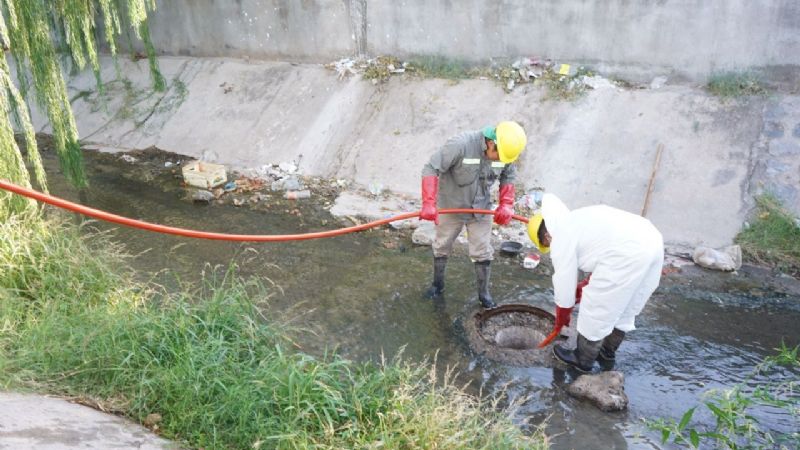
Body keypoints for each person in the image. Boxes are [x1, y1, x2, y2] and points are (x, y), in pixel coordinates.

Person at [528, 193, 663, 372]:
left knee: (596, 308)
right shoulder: (576, 221)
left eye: (545, 243)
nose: (549, 246)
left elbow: (564, 283)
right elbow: (602, 266)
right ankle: (607, 353)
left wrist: (563, 315)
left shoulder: (560, 235)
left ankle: (582, 360)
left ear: (546, 235)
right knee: (624, 307)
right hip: (651, 240)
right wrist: (580, 290)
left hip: (628, 251)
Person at [419, 121, 527, 309]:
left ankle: (484, 295)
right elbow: (430, 168)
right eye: (498, 156)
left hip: (480, 208)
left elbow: (508, 175)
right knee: (441, 246)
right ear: (491, 143)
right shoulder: (460, 145)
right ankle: (437, 285)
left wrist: (507, 204)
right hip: (450, 207)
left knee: (482, 251)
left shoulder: (504, 154)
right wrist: (428, 202)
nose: (499, 160)